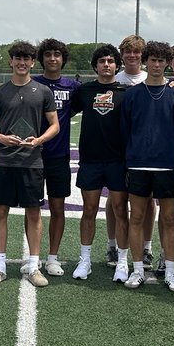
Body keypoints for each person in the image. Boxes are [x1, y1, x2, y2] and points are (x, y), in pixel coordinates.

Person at [0, 41, 59, 286]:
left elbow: (54, 125)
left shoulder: (43, 91)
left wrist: (39, 141)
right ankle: (0, 265)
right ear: (11, 61)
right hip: (5, 161)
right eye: (18, 58)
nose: (22, 62)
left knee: (34, 213)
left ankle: (35, 266)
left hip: (32, 163)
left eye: (26, 58)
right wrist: (1, 137)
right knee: (0, 211)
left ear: (32, 62)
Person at [119, 40, 174, 291]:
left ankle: (170, 271)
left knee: (169, 218)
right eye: (153, 60)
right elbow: (125, 130)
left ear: (167, 62)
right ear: (145, 61)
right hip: (137, 165)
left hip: (168, 165)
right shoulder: (133, 94)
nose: (157, 65)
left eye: (161, 60)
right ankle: (137, 270)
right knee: (136, 216)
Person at [69, 44, 128, 280]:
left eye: (111, 61)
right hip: (91, 159)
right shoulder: (84, 91)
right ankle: (85, 259)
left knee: (120, 210)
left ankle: (122, 261)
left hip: (118, 160)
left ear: (117, 65)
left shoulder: (126, 91)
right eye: (102, 61)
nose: (106, 64)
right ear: (95, 66)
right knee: (89, 210)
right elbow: (63, 113)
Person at [32, 38, 81, 278]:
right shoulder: (32, 83)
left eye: (57, 54)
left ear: (63, 58)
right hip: (31, 155)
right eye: (48, 54)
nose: (53, 58)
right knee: (32, 208)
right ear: (41, 59)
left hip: (59, 156)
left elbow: (73, 110)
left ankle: (52, 258)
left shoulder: (72, 87)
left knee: (58, 207)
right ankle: (33, 257)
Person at [113, 33, 155, 271]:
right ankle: (113, 244)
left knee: (148, 201)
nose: (132, 56)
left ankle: (146, 247)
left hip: (144, 150)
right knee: (116, 200)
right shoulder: (115, 79)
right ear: (122, 55)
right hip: (118, 148)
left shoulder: (151, 79)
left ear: (143, 56)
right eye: (128, 52)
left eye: (137, 52)